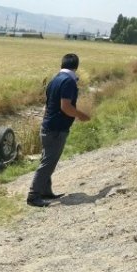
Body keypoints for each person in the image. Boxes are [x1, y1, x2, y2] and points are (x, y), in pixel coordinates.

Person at [27, 53, 90, 207]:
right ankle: (33, 196)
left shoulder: (54, 80)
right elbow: (66, 107)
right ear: (76, 66)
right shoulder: (69, 82)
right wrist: (81, 115)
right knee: (48, 162)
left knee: (47, 159)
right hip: (56, 129)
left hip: (48, 126)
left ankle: (45, 191)